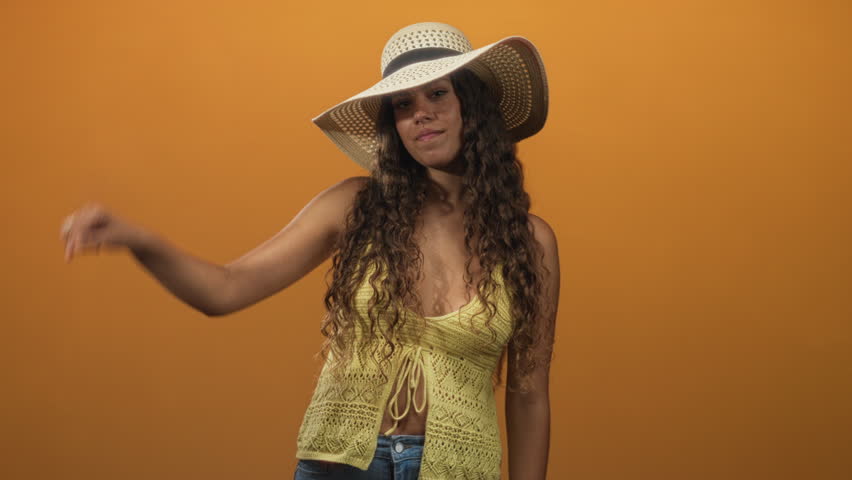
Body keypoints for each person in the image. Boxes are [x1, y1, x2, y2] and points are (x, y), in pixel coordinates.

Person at [60, 22, 559, 480]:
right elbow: (224, 289)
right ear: (393, 127)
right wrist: (139, 240)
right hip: (341, 465)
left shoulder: (529, 243)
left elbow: (529, 395)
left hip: (459, 470)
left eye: (436, 94)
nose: (420, 114)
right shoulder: (355, 207)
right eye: (402, 105)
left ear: (472, 105)